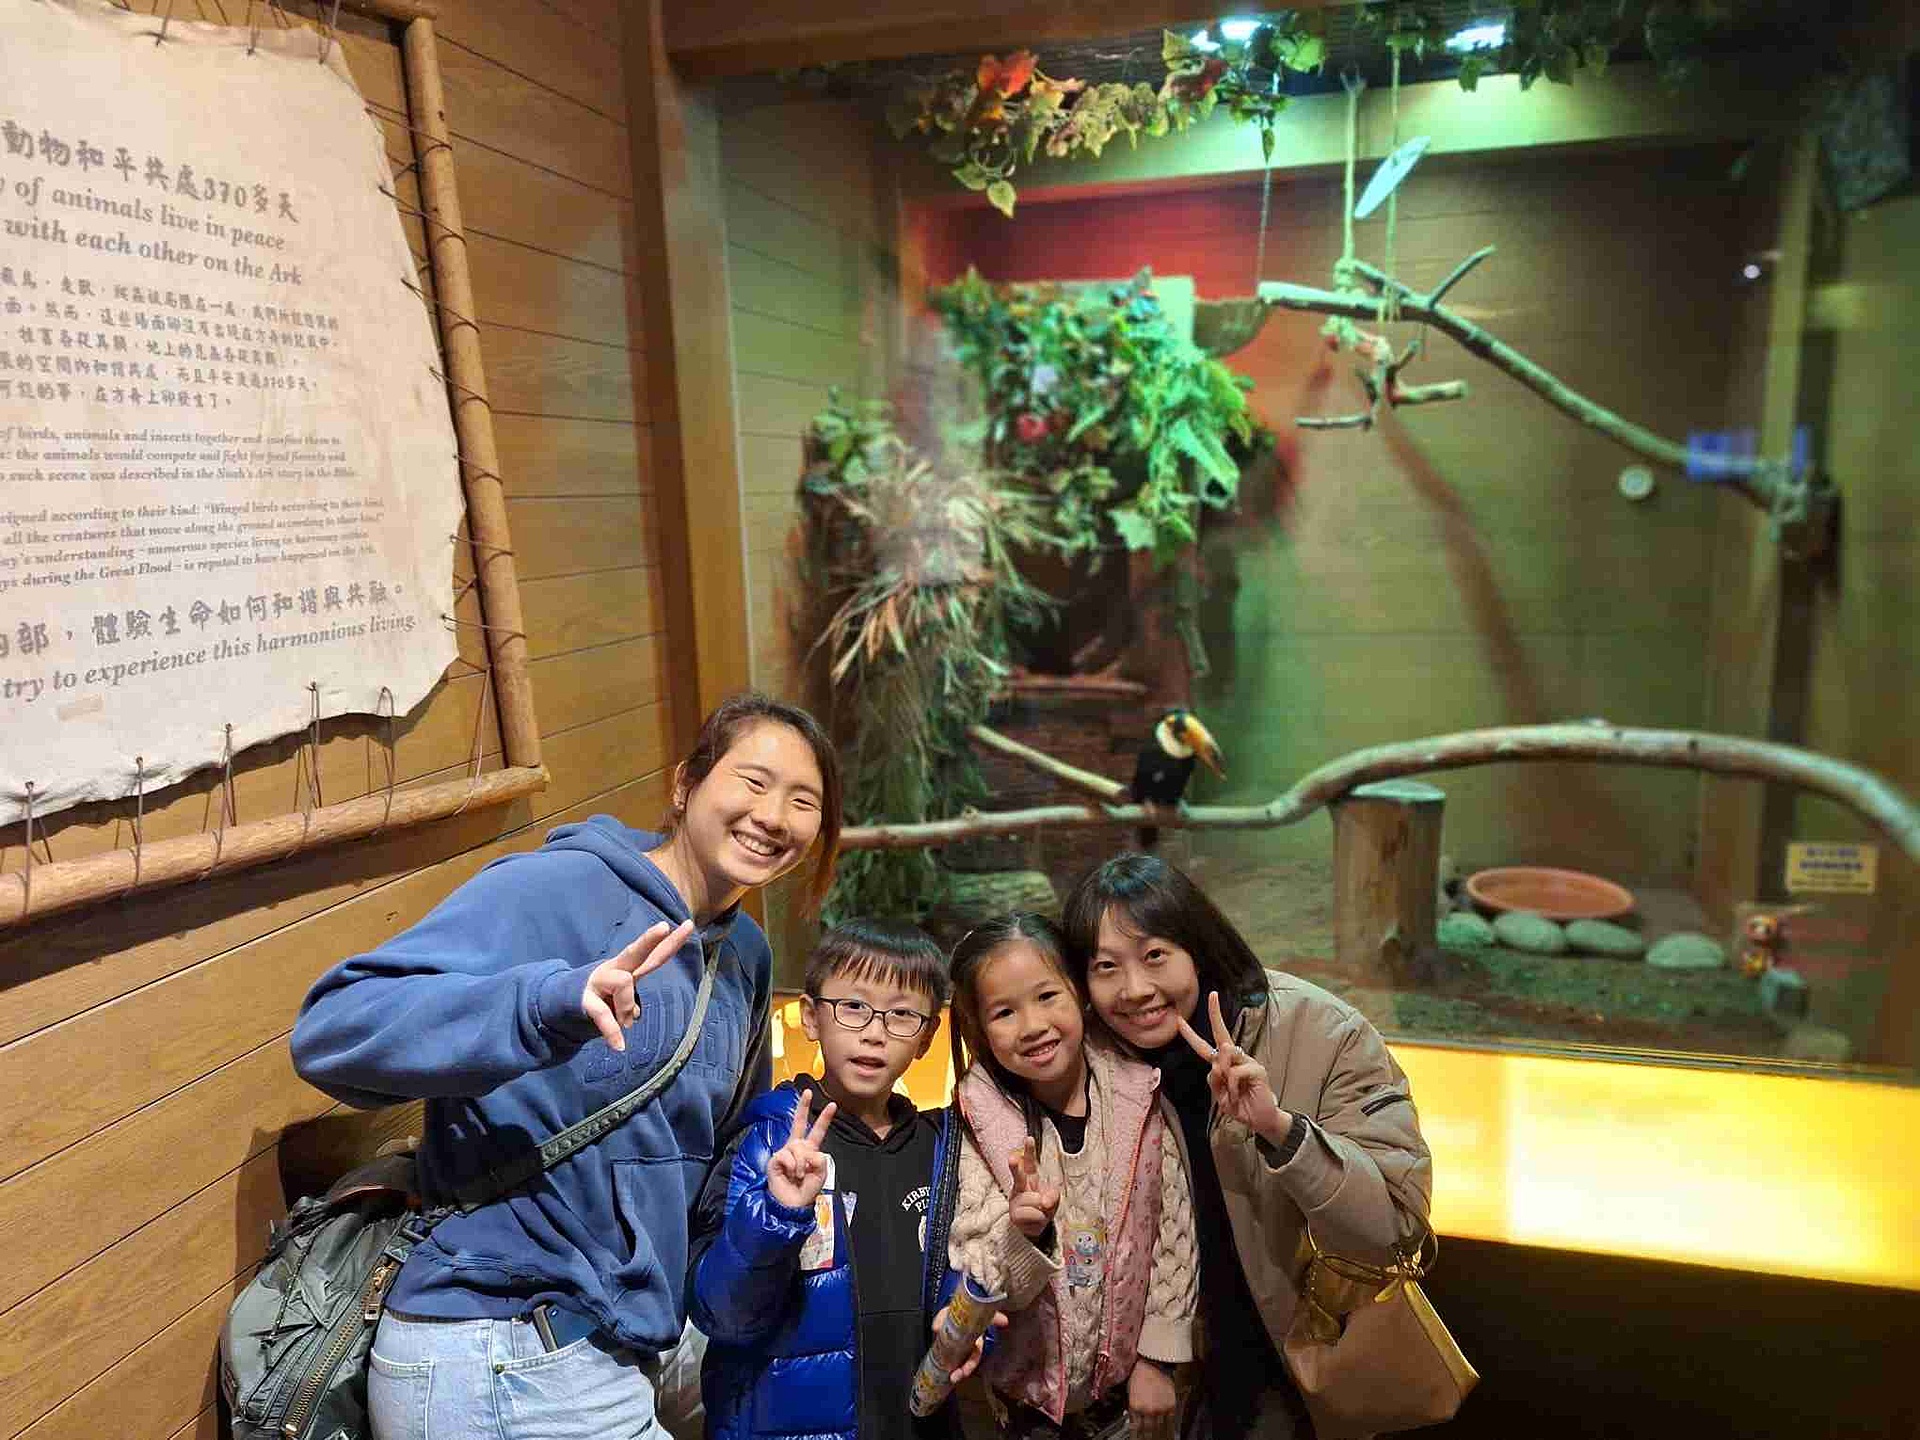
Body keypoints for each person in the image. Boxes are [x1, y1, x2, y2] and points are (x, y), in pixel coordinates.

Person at [289, 692, 842, 1440]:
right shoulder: (559, 890)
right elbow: (331, 1031)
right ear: (685, 784)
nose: (773, 816)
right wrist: (543, 1005)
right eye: (753, 781)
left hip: (628, 1335)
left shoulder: (744, 954)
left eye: (803, 802)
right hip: (501, 1338)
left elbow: (714, 1164)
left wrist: (771, 1204)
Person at [1061, 853, 1433, 1440]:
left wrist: (1282, 1132)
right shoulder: (1091, 1063)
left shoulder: (1322, 1031)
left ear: (1197, 947)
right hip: (1164, 1383)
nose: (1134, 990)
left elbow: (1395, 1231)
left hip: (1295, 1367)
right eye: (1106, 967)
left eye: (1155, 956)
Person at [691, 918, 989, 1440]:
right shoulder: (768, 1142)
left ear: (926, 1037)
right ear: (811, 1016)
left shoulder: (941, 1148)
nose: (874, 1032)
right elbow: (722, 1315)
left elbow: (964, 1271)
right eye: (853, 1007)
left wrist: (966, 1326)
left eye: (902, 1014)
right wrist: (777, 1214)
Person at [942, 914, 1198, 1440]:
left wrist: (1158, 1359)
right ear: (980, 1028)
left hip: (1130, 1396)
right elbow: (981, 1277)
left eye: (1047, 997)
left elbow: (1173, 1230)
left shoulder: (1137, 1095)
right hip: (1024, 1406)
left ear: (1079, 993)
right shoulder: (979, 1123)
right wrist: (1022, 1234)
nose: (1033, 1025)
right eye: (1005, 1012)